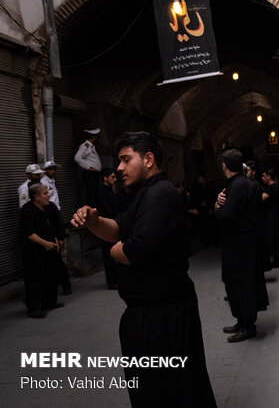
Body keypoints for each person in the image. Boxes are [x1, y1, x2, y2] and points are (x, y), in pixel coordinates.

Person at [71, 131, 216, 407]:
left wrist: (115, 252)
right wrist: (94, 221)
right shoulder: (144, 195)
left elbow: (134, 249)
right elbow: (118, 229)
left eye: (126, 160)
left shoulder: (159, 195)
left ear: (148, 159)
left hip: (163, 317)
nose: (119, 168)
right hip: (152, 314)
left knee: (166, 392)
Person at [215, 149, 269, 342]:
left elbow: (227, 215)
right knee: (238, 282)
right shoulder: (244, 184)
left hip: (239, 243)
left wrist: (217, 208)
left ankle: (247, 325)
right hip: (244, 241)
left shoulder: (237, 186)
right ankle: (242, 321)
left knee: (241, 282)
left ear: (224, 166)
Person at [20, 183, 65, 318]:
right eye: (45, 193)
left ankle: (49, 302)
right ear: (36, 197)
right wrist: (44, 243)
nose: (48, 195)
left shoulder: (49, 207)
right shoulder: (27, 210)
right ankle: (33, 307)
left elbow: (56, 224)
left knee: (51, 275)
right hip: (34, 250)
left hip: (51, 247)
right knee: (36, 278)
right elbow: (28, 233)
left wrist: (58, 239)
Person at [41, 160, 72, 295]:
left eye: (54, 169)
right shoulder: (43, 184)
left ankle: (64, 284)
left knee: (58, 257)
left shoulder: (52, 182)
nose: (52, 172)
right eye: (50, 170)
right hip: (50, 218)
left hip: (56, 215)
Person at [95, 168, 119, 289]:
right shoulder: (101, 192)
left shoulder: (110, 190)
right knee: (108, 254)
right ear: (105, 178)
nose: (114, 179)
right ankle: (112, 281)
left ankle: (116, 279)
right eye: (112, 177)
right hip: (106, 225)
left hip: (112, 224)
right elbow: (107, 209)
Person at [74, 128, 102, 206]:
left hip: (94, 174)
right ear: (94, 137)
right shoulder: (85, 146)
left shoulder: (91, 146)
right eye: (97, 137)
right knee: (91, 195)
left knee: (95, 195)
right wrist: (88, 167)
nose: (98, 139)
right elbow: (77, 158)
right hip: (90, 174)